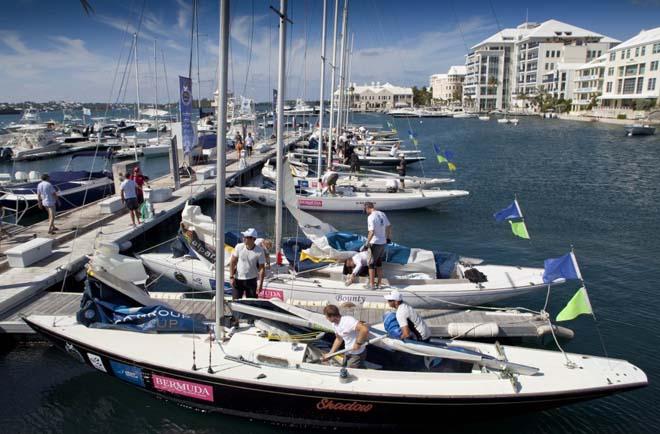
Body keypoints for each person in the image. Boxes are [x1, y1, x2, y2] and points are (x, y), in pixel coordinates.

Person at [322, 304, 370, 368]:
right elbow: (338, 339)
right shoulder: (334, 324)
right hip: (347, 351)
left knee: (351, 374)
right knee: (344, 369)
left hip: (357, 354)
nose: (326, 319)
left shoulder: (348, 321)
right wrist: (331, 353)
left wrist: (358, 343)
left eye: (327, 317)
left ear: (332, 316)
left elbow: (364, 329)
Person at [230, 228, 266, 299]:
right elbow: (233, 261)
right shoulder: (239, 247)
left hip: (252, 281)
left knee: (252, 303)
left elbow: (262, 268)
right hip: (238, 280)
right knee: (235, 301)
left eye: (247, 237)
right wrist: (231, 277)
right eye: (244, 236)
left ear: (253, 239)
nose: (244, 238)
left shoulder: (260, 251)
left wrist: (260, 284)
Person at [364, 201, 392, 289]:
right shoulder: (382, 214)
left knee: (371, 264)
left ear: (367, 208)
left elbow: (371, 231)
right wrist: (387, 238)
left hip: (374, 243)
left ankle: (371, 285)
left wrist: (366, 243)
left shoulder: (371, 217)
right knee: (379, 263)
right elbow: (389, 226)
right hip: (383, 242)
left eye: (365, 210)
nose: (365, 212)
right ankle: (379, 284)